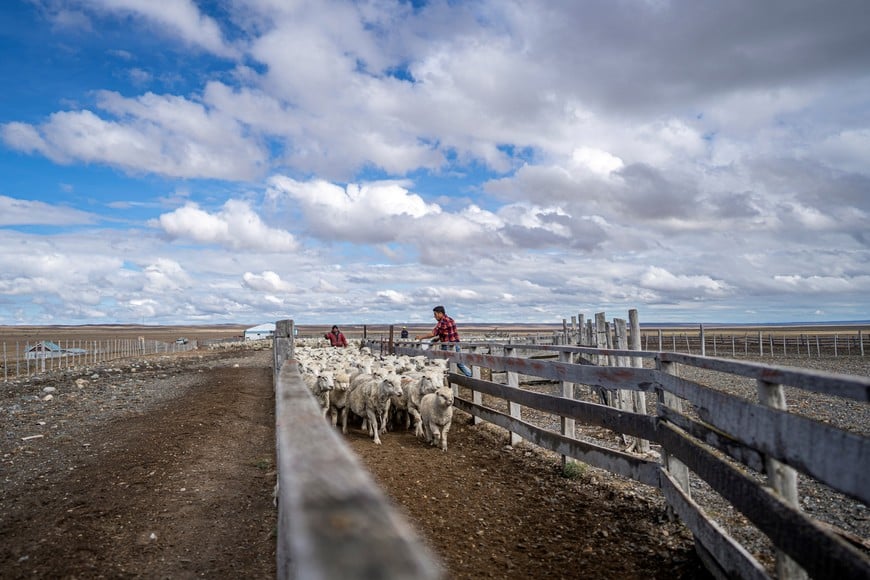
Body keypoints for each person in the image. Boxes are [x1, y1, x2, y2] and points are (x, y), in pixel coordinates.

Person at [415, 305, 472, 377]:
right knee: (459, 363)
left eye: (435, 314)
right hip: (456, 344)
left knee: (440, 363)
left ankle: (442, 378)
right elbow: (448, 332)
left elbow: (433, 333)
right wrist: (439, 338)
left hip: (447, 346)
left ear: (440, 313)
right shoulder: (450, 319)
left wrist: (420, 337)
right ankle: (470, 376)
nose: (435, 317)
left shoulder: (442, 322)